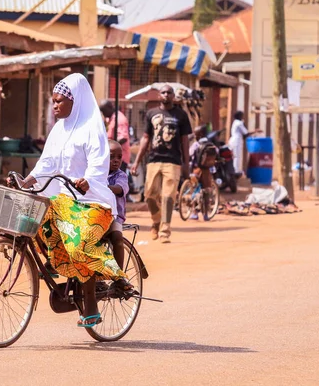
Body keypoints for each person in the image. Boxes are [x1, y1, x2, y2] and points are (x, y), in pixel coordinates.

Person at [20, 73, 132, 328]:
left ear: (75, 102)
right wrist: (27, 180)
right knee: (35, 217)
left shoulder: (92, 130)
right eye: (53, 101)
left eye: (60, 101)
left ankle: (93, 302)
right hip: (63, 199)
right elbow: (46, 163)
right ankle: (55, 261)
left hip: (92, 201)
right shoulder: (58, 130)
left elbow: (98, 163)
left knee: (78, 242)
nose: (55, 105)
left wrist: (88, 180)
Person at [130, 84, 192, 243]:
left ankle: (165, 230)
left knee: (168, 196)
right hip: (153, 160)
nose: (166, 95)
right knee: (149, 195)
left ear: (173, 96)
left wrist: (187, 163)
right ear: (159, 95)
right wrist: (136, 162)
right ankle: (156, 220)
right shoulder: (151, 113)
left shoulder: (181, 115)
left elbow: (185, 141)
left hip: (173, 162)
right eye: (163, 92)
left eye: (169, 92)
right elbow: (145, 138)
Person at [106, 139, 129, 268]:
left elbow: (120, 189)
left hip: (114, 216)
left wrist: (104, 187)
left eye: (119, 157)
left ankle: (120, 277)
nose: (116, 160)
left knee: (117, 238)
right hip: (94, 213)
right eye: (111, 157)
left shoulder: (121, 176)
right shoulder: (96, 174)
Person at [188, 125, 218, 220]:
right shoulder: (211, 144)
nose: (195, 136)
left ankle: (194, 213)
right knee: (206, 192)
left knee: (195, 190)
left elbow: (190, 153)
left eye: (196, 134)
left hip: (196, 170)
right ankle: (205, 215)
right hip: (207, 171)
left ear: (199, 135)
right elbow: (217, 152)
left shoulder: (196, 144)